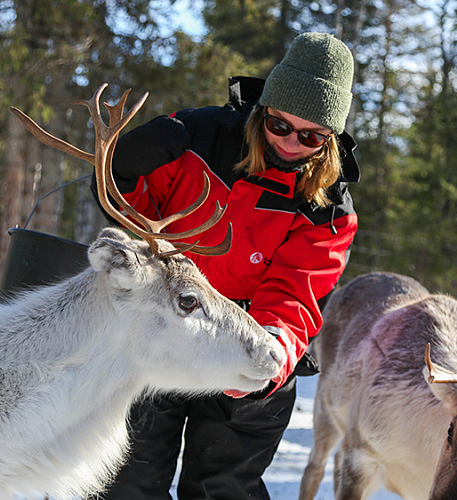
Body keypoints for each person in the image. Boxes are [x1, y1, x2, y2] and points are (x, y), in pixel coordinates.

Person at [92, 32, 360, 500]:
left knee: (222, 490)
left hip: (244, 339)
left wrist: (271, 353)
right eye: (279, 125)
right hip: (161, 327)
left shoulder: (329, 211)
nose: (291, 142)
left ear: (329, 139)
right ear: (264, 110)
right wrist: (123, 172)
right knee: (127, 483)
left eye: (311, 136)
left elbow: (296, 293)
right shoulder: (198, 137)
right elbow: (137, 211)